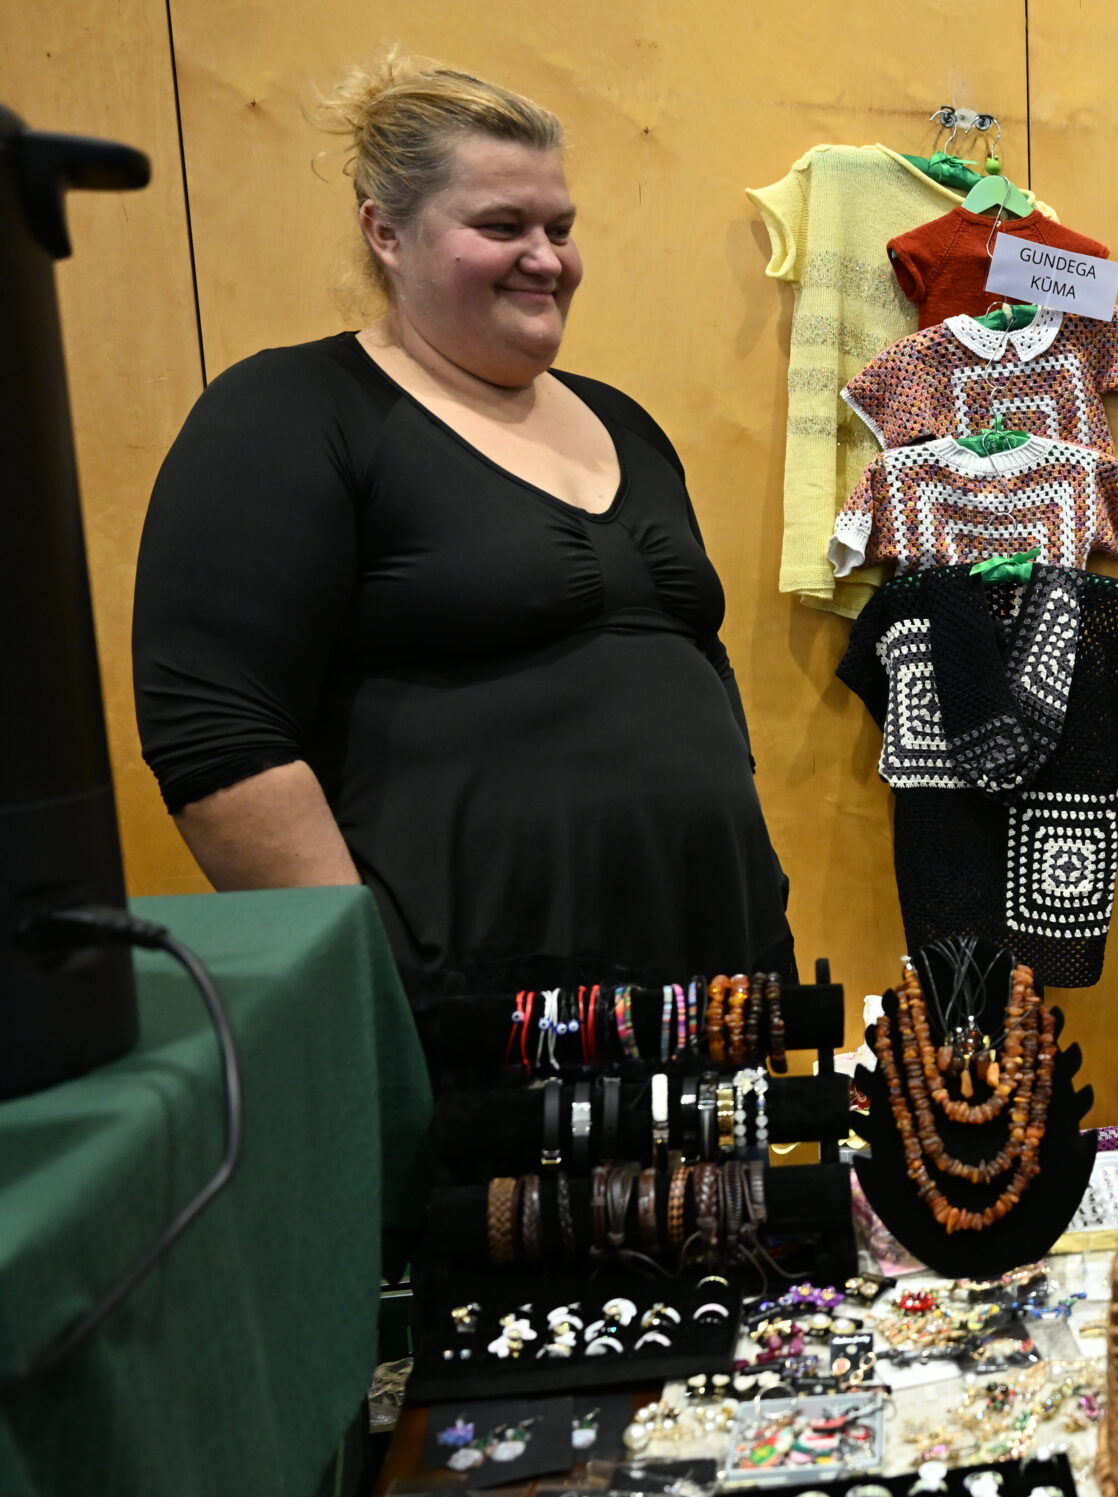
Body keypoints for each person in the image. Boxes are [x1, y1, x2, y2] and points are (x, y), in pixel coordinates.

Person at [131, 53, 792, 995]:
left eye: (560, 228)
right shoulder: (290, 411)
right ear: (386, 233)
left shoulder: (625, 422)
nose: (546, 258)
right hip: (464, 1001)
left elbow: (695, 664)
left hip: (716, 980)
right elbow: (217, 736)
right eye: (501, 226)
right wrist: (367, 990)